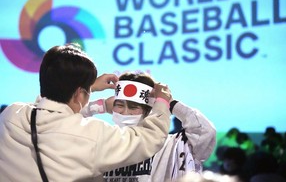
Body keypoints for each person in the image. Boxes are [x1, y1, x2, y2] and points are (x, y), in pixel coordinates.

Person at [0, 44, 172, 182]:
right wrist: (162, 101)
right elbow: (148, 138)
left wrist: (90, 92)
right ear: (79, 94)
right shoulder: (92, 135)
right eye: (87, 91)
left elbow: (44, 109)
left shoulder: (10, 115)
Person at [94, 72, 216, 182]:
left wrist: (169, 103)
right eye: (119, 105)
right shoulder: (102, 141)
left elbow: (205, 131)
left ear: (149, 111)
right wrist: (97, 104)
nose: (125, 112)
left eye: (133, 107)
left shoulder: (172, 145)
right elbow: (74, 128)